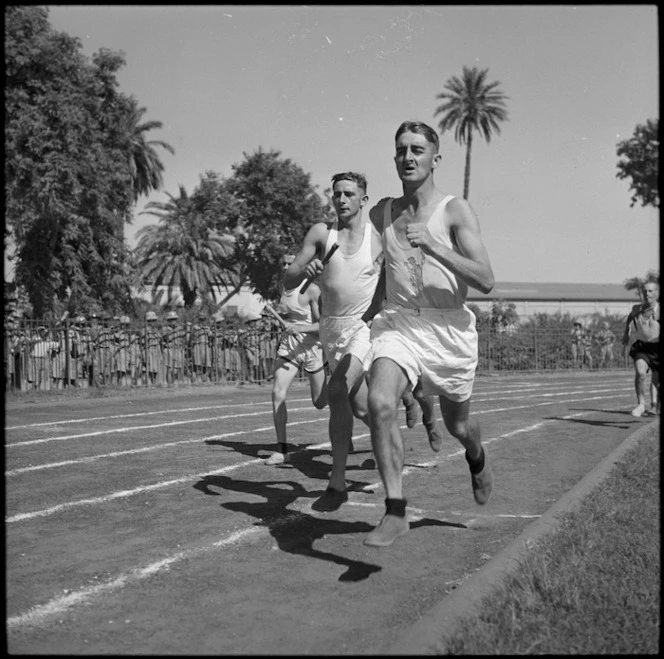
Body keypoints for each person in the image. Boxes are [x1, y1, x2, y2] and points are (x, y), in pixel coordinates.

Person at [363, 120, 496, 547]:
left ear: (435, 158)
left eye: (417, 149)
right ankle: (396, 509)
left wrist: (436, 246)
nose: (408, 157)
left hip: (449, 331)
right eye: (401, 149)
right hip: (400, 322)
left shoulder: (455, 210)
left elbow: (487, 280)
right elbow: (367, 264)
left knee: (460, 426)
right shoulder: (381, 212)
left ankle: (476, 456)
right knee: (380, 401)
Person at [284, 171, 435, 512]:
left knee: (335, 388)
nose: (342, 200)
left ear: (363, 199)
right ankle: (404, 409)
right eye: (337, 193)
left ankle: (337, 484)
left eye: (349, 194)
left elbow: (404, 268)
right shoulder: (322, 234)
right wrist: (303, 273)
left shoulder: (378, 235)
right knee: (364, 408)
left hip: (364, 326)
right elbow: (287, 279)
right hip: (331, 330)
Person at [265, 255, 328, 466]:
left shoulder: (313, 290)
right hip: (289, 347)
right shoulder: (284, 290)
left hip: (312, 348)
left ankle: (342, 412)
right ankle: (282, 449)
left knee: (320, 403)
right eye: (282, 263)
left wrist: (300, 327)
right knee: (277, 393)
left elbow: (323, 328)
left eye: (289, 263)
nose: (285, 267)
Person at [622, 281, 659, 417]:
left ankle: (655, 405)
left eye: (650, 291)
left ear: (656, 293)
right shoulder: (637, 308)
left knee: (656, 380)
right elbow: (630, 318)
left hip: (657, 348)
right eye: (644, 291)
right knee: (640, 373)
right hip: (642, 347)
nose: (647, 294)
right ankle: (641, 404)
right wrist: (626, 334)